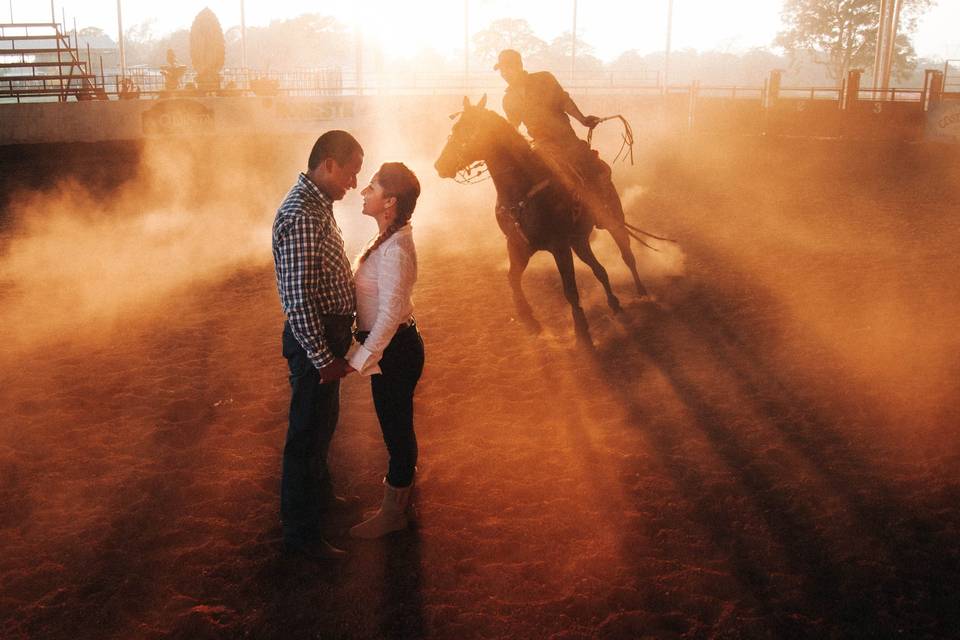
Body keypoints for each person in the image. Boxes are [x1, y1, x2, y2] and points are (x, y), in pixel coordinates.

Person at [272, 130, 363, 560]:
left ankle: (320, 499)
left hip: (326, 337)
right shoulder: (303, 214)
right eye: (350, 173)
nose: (354, 183)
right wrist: (323, 357)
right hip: (317, 341)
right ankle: (300, 533)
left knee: (321, 425)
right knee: (306, 434)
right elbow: (298, 297)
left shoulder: (316, 205)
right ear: (328, 163)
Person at [346, 163, 425, 539]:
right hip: (395, 349)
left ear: (390, 202)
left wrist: (363, 356)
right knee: (397, 425)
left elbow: (391, 312)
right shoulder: (388, 239)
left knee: (396, 431)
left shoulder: (394, 249)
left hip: (395, 351)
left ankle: (394, 513)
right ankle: (405, 497)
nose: (364, 191)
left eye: (372, 187)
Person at [494, 48, 619, 229]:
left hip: (566, 139)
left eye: (507, 68)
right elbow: (513, 126)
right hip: (542, 145)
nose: (504, 74)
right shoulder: (509, 99)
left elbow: (564, 101)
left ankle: (603, 210)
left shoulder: (544, 79)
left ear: (519, 65)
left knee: (598, 169)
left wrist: (582, 119)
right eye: (502, 70)